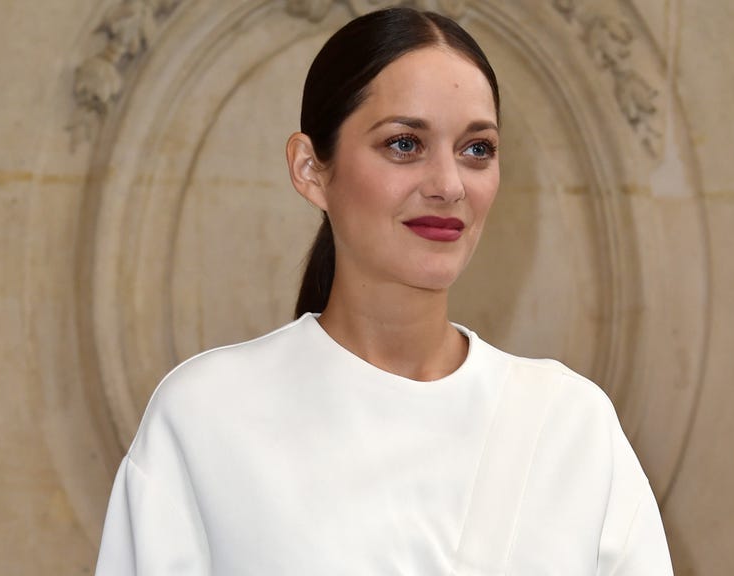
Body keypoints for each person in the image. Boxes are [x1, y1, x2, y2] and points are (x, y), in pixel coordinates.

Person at [94, 7, 673, 575]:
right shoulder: (206, 418)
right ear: (309, 169)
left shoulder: (572, 427)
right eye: (404, 144)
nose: (449, 185)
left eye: (477, 149)